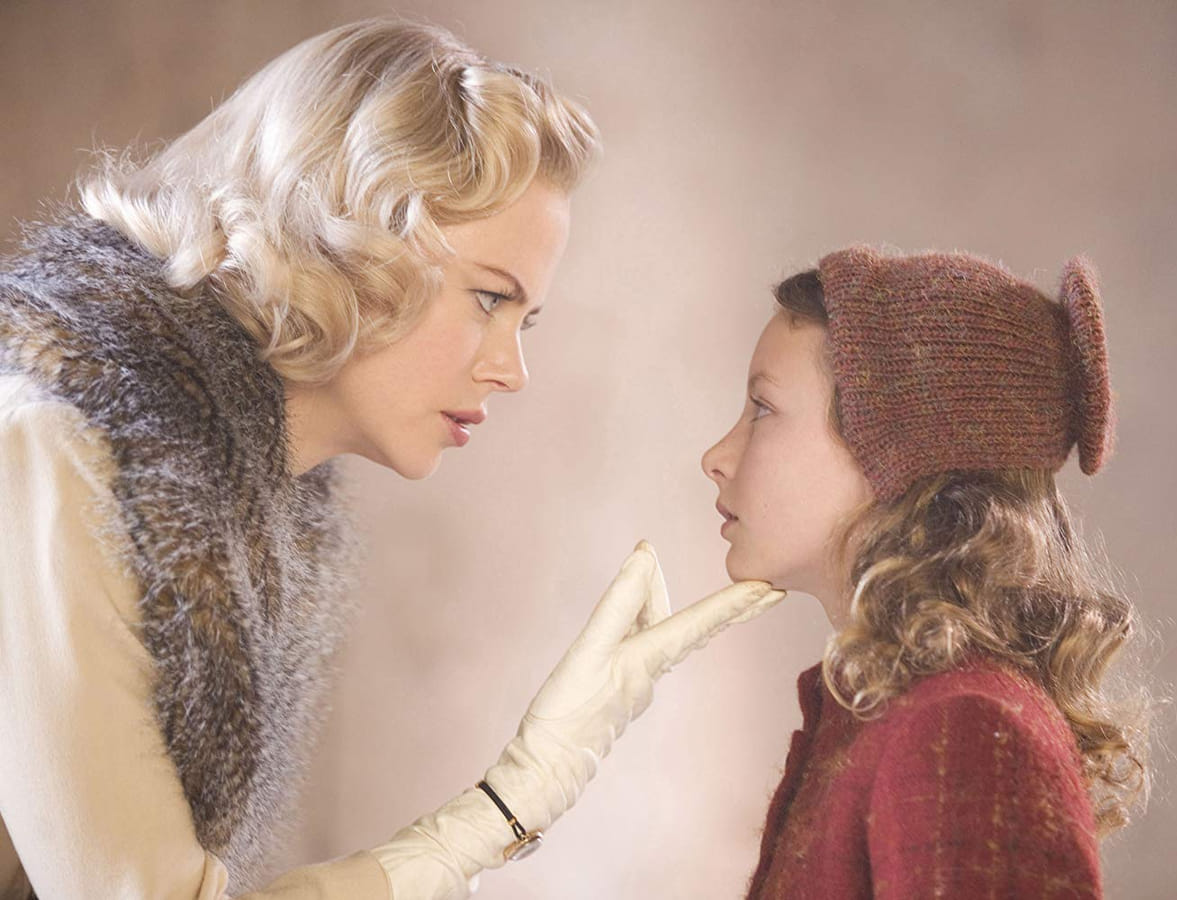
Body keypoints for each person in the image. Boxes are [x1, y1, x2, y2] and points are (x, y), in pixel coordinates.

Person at [0, 18, 784, 900]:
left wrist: (504, 808)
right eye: (488, 298)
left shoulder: (232, 495)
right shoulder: (51, 442)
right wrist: (506, 805)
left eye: (526, 320)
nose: (513, 369)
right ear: (340, 234)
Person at [701, 247, 1151, 898]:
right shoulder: (888, 713)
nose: (716, 456)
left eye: (762, 408)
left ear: (898, 451)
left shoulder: (964, 731)